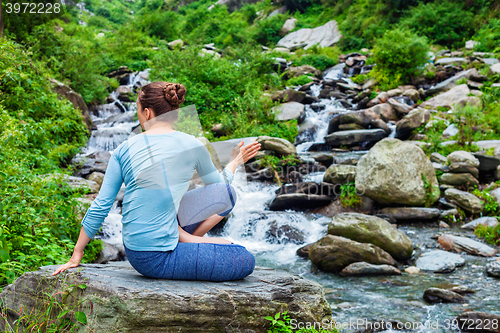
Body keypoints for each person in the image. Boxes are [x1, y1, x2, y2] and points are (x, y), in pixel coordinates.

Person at [52, 81, 261, 281]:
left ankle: (183, 239)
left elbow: (102, 204)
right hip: (154, 257)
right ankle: (186, 240)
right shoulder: (193, 144)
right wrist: (235, 161)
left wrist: (76, 253)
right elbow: (219, 183)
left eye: (138, 109)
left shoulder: (123, 149)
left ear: (147, 112)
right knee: (244, 258)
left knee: (228, 198)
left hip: (137, 250)